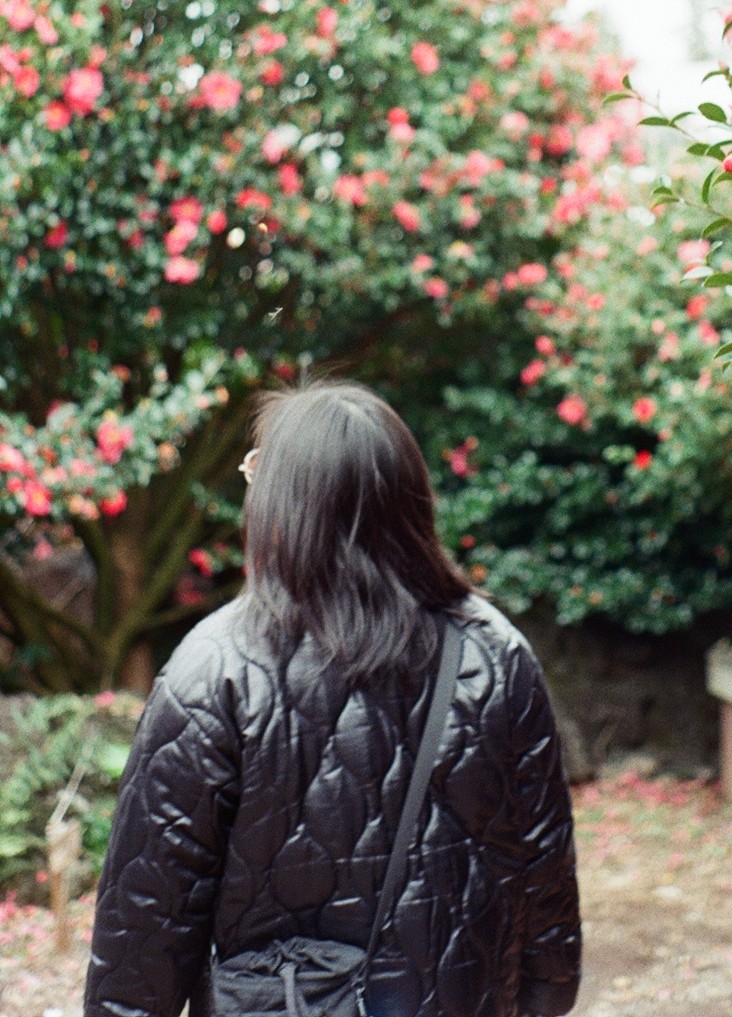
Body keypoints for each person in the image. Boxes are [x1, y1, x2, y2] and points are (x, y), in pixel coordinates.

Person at [84, 381, 581, 1017]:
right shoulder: (495, 656)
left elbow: (146, 926)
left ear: (281, 504)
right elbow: (546, 892)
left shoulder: (214, 671)